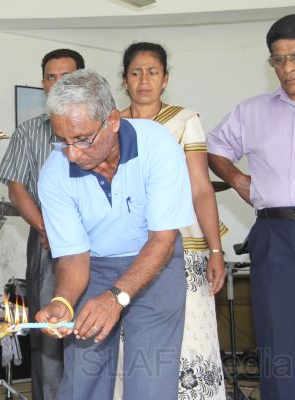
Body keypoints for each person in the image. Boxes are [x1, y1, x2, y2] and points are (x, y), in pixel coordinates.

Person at [35, 69, 195, 400]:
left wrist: (116, 297)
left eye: (83, 139)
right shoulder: (54, 174)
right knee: (83, 381)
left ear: (112, 121)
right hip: (92, 269)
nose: (72, 154)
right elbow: (73, 254)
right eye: (62, 141)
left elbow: (163, 239)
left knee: (150, 382)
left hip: (156, 264)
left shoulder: (158, 146)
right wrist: (63, 301)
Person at [207, 13, 295, 400]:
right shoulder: (251, 112)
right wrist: (237, 180)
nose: (288, 68)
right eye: (278, 60)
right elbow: (214, 147)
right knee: (278, 348)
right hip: (276, 234)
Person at [118, 42, 226, 399]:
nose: (144, 80)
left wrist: (215, 250)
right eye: (136, 73)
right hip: (127, 248)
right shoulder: (112, 124)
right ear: (124, 80)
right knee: (129, 341)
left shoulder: (185, 120)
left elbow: (201, 189)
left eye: (152, 72)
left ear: (165, 79)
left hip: (183, 245)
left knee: (190, 339)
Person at [0, 48, 84, 400]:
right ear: (43, 84)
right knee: (49, 329)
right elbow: (16, 188)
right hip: (47, 240)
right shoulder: (28, 132)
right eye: (51, 77)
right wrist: (48, 229)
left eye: (67, 77)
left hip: (99, 239)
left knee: (97, 326)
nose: (58, 83)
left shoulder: (102, 128)